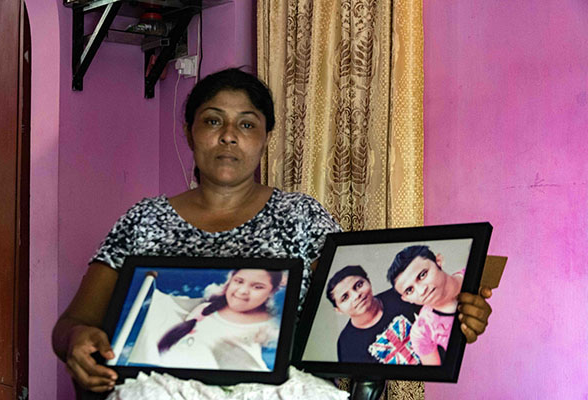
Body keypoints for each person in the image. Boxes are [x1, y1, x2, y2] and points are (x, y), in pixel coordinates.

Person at [51, 68, 492, 396]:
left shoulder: (301, 216)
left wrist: (453, 310)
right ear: (189, 132)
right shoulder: (143, 220)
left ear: (265, 138)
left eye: (246, 124)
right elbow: (71, 324)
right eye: (212, 121)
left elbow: (364, 303)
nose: (229, 136)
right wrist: (75, 341)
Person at [156, 268, 282, 371]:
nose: (243, 291)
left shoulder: (270, 325)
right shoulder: (204, 310)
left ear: (272, 291)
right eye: (238, 281)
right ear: (230, 281)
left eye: (257, 287)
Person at [387, 245, 465, 366]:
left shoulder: (481, 272)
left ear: (438, 261)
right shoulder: (421, 331)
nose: (422, 290)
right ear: (406, 299)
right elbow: (436, 373)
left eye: (422, 275)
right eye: (409, 290)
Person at [326, 265, 421, 364]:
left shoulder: (401, 295)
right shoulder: (347, 343)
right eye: (345, 297)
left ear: (369, 281)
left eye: (358, 285)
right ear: (339, 310)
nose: (356, 295)